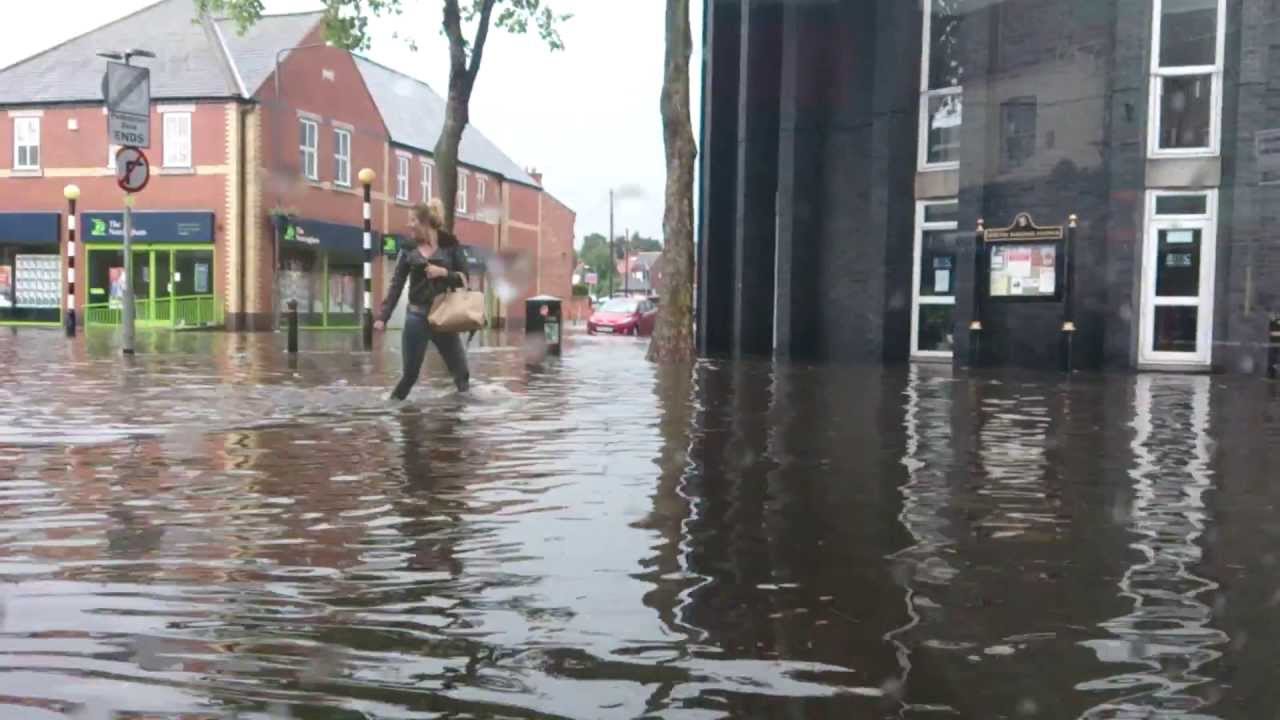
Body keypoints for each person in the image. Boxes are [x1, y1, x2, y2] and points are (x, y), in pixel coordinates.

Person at [374, 199, 471, 399]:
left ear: (425, 223)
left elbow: (465, 278)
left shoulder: (450, 245)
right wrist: (383, 317)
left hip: (443, 317)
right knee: (410, 376)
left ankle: (459, 415)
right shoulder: (408, 248)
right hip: (416, 318)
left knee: (462, 375)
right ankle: (390, 408)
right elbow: (397, 284)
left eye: (413, 220)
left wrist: (443, 272)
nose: (409, 224)